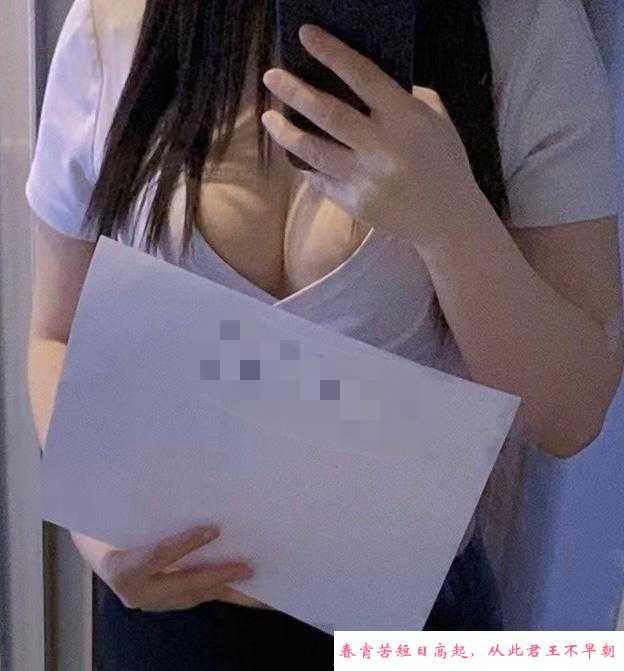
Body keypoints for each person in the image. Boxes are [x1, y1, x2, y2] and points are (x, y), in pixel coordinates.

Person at [25, 0, 622, 668]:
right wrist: (98, 528)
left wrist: (451, 220)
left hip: (409, 625)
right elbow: (57, 335)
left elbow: (569, 414)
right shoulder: (117, 22)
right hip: (166, 610)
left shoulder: (520, 26)